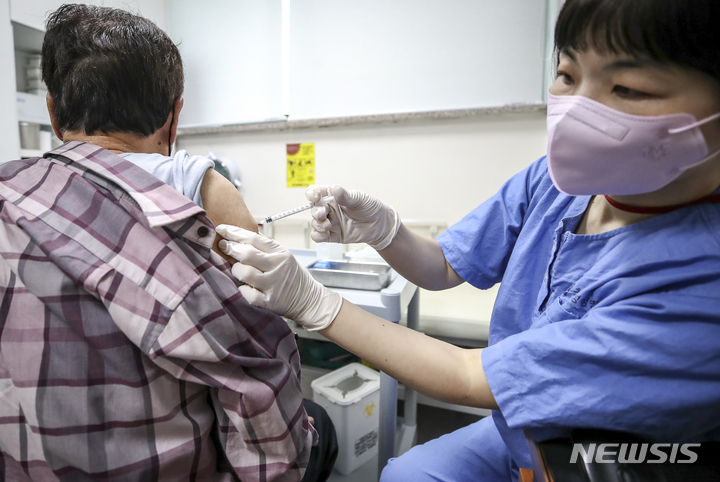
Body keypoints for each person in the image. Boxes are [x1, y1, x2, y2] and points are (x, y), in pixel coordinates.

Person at [217, 0, 720, 480]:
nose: (579, 109)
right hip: (520, 432)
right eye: (567, 75)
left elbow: (468, 377)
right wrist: (382, 231)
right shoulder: (553, 183)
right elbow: (442, 267)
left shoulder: (699, 287)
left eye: (628, 89)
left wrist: (313, 303)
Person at [0, 4, 336, 481]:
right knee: (319, 424)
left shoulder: (11, 195)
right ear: (174, 118)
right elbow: (258, 373)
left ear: (53, 113)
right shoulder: (205, 187)